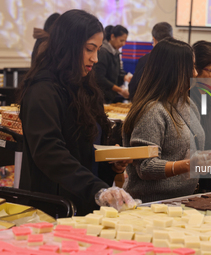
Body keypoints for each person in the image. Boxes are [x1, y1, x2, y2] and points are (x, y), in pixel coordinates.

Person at [19, 10, 134, 216]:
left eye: (98, 50)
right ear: (68, 46)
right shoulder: (42, 90)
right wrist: (96, 189)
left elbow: (88, 145)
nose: (95, 58)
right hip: (56, 206)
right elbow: (49, 153)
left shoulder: (85, 86)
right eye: (90, 49)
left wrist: (111, 163)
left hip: (85, 201)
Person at [122, 38, 211, 203]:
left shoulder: (186, 103)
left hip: (181, 199)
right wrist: (186, 165)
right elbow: (146, 167)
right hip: (151, 203)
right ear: (175, 70)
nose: (195, 73)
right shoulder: (152, 111)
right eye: (191, 67)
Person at [128, 22, 173, 101]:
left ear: (154, 39)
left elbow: (133, 89)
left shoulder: (145, 60)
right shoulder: (180, 59)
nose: (194, 72)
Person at [95, 25, 131, 104]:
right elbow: (99, 78)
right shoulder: (103, 51)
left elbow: (116, 73)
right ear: (112, 36)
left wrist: (125, 77)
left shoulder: (116, 52)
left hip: (110, 96)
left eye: (125, 41)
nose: (123, 44)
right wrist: (120, 90)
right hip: (100, 96)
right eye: (121, 40)